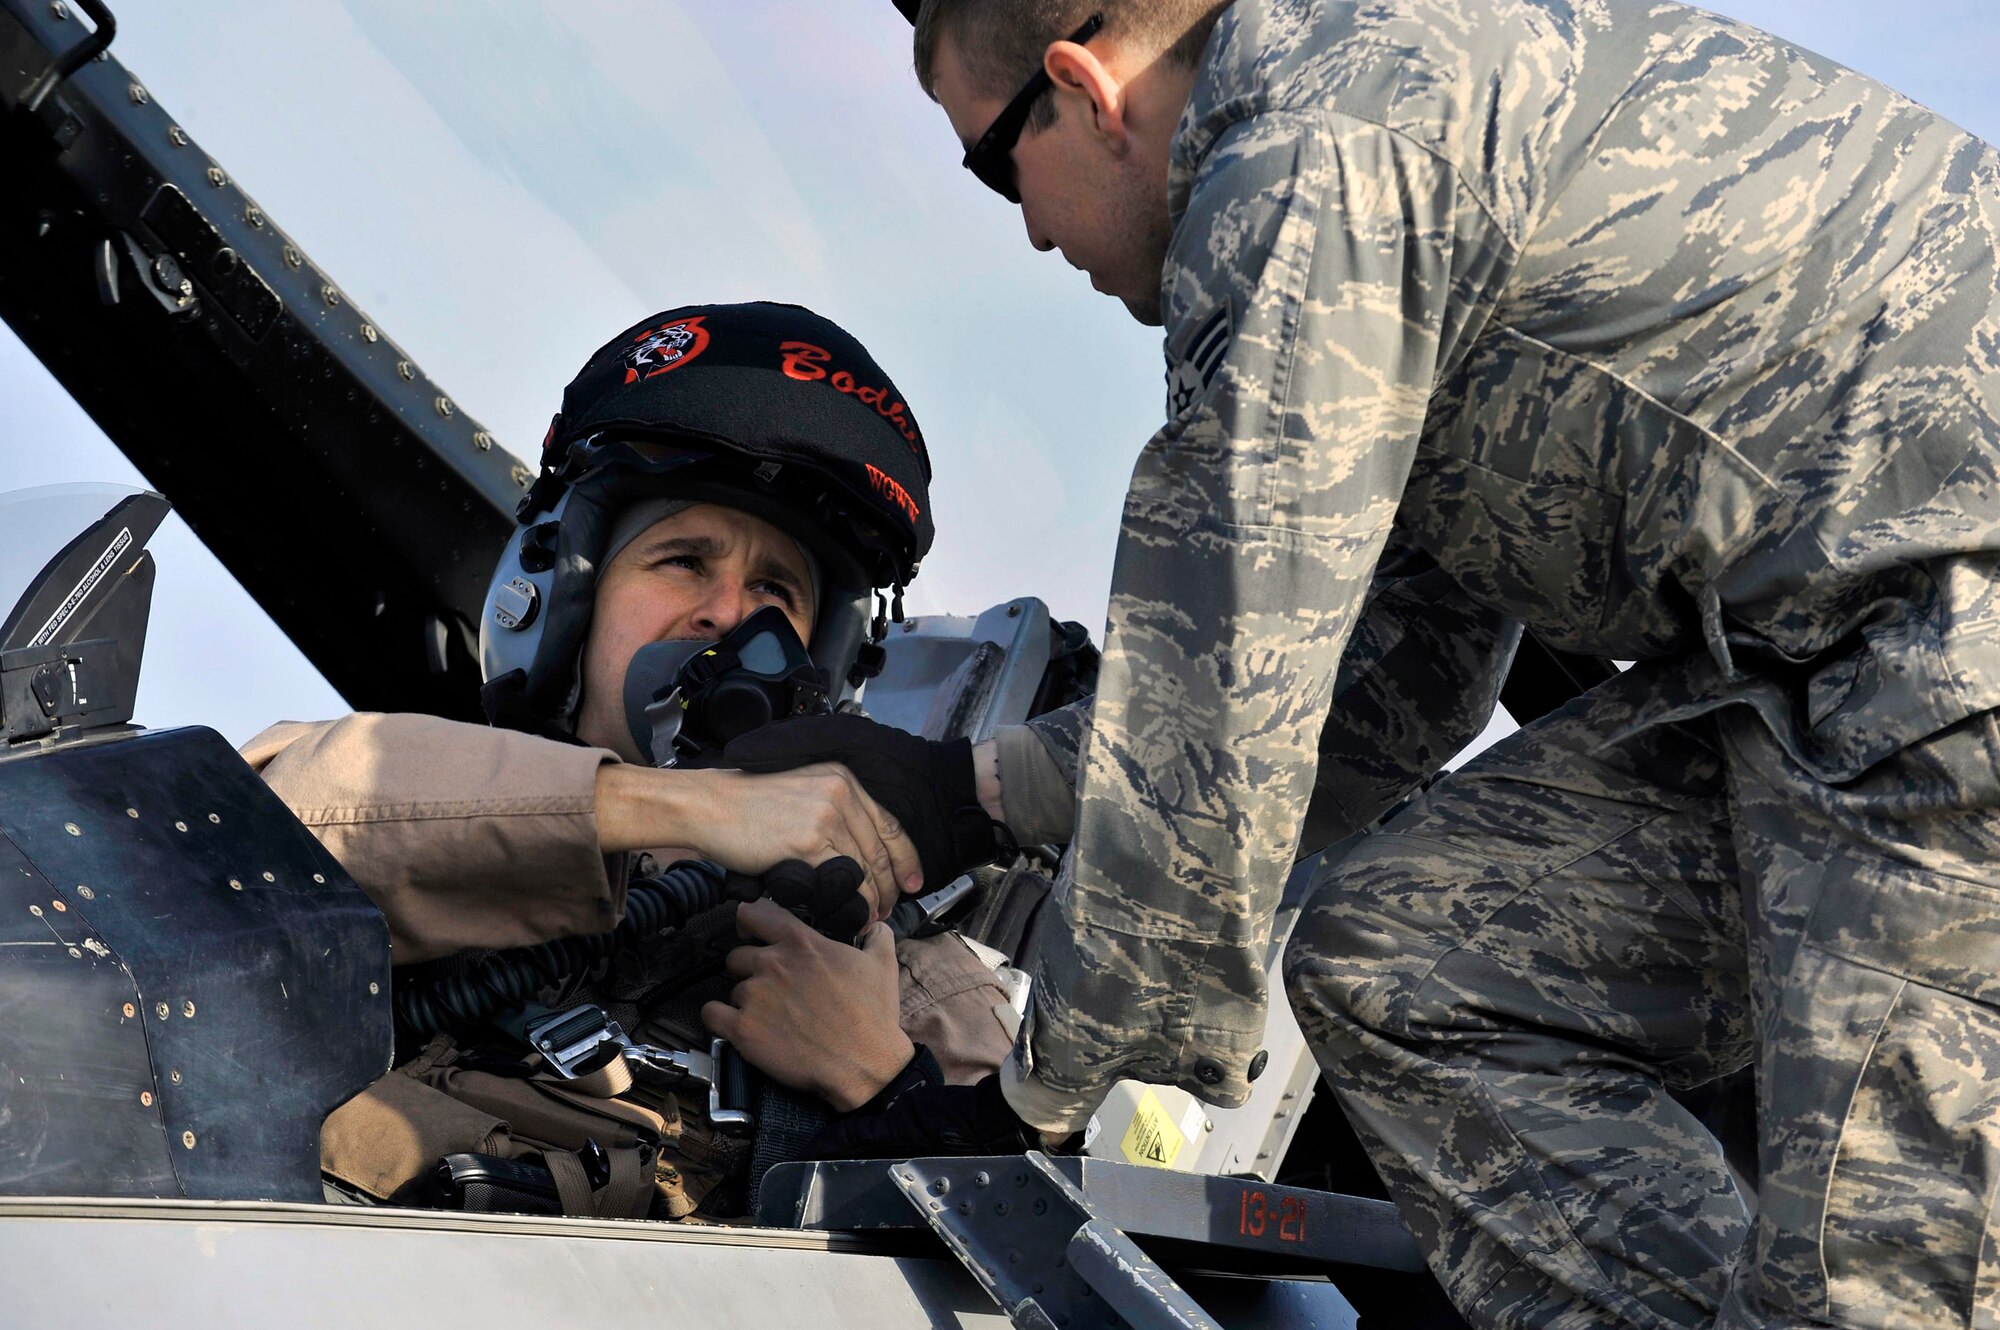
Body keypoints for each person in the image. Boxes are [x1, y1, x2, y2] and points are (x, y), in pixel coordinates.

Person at [728, 2, 2000, 1325]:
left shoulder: (1299, 165)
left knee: (1868, 1299)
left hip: (1940, 641)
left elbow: (1221, 709)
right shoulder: (1382, 106)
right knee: (1412, 965)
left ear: (1083, 88)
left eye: (998, 167)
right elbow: (1382, 673)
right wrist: (969, 792)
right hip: (1841, 662)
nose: (1034, 231)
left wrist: (1009, 1103)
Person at [246, 300, 1015, 1117]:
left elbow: (1037, 1219)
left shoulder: (909, 982)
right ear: (565, 603)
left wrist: (885, 1083)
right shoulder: (424, 799)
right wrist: (685, 806)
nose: (729, 614)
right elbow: (232, 833)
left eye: (774, 589)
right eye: (684, 561)